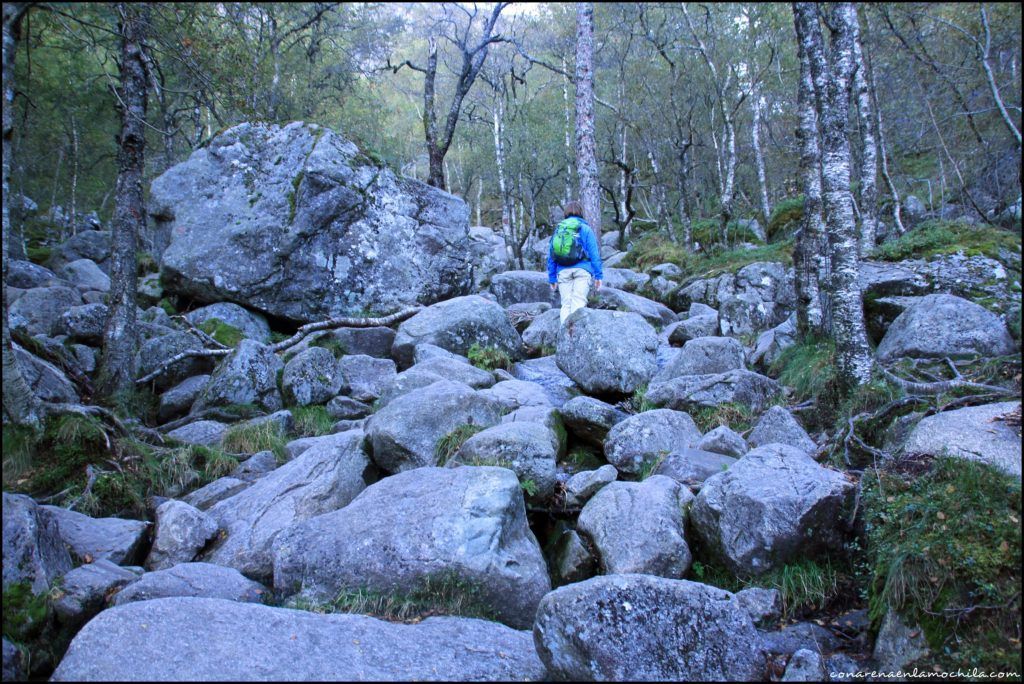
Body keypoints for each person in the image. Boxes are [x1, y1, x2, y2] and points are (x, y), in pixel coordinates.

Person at [548, 200, 603, 324]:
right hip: (582, 270)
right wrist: (598, 275)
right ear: (581, 213)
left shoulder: (559, 230)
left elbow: (551, 255)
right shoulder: (585, 229)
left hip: (563, 271)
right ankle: (576, 338)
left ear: (566, 213)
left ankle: (564, 338)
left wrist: (552, 277)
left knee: (566, 305)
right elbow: (594, 254)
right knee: (578, 302)